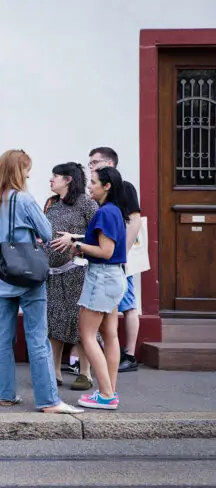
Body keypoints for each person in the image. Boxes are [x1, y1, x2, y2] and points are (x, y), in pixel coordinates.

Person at [0, 149, 83, 414]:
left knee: (3, 337)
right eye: (26, 169)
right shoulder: (23, 199)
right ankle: (49, 400)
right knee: (37, 338)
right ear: (17, 171)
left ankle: (5, 394)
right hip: (27, 276)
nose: (29, 173)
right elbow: (47, 233)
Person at [52, 166, 129, 410]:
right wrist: (79, 240)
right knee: (110, 335)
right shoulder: (115, 210)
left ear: (107, 187)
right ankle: (109, 391)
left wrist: (78, 247)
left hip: (101, 278)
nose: (89, 186)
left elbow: (105, 252)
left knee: (87, 335)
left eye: (94, 182)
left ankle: (106, 395)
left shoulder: (105, 212)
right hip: (115, 277)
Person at [44, 163, 99, 391]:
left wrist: (73, 238)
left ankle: (85, 373)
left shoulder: (86, 203)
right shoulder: (51, 203)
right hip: (53, 273)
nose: (50, 180)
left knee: (80, 323)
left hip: (78, 271)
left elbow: (99, 234)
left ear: (67, 179)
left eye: (54, 176)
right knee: (53, 320)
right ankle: (54, 371)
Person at [87, 147, 142, 372]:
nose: (91, 166)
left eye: (95, 162)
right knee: (111, 315)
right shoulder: (101, 194)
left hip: (118, 259)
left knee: (128, 304)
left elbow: (135, 222)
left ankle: (129, 354)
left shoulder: (125, 188)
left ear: (109, 164)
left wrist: (123, 255)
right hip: (111, 257)